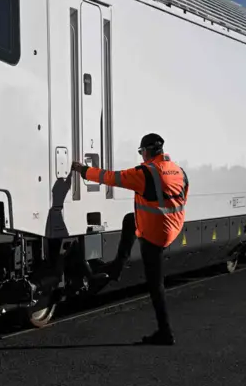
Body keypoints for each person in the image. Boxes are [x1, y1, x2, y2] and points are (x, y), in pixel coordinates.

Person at [70, 133, 188, 346]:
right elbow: (182, 197)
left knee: (155, 284)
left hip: (155, 232)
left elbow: (111, 177)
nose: (141, 156)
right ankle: (117, 268)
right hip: (174, 225)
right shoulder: (179, 171)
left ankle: (165, 332)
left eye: (141, 152)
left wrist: (84, 170)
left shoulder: (146, 172)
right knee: (129, 220)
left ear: (148, 151)